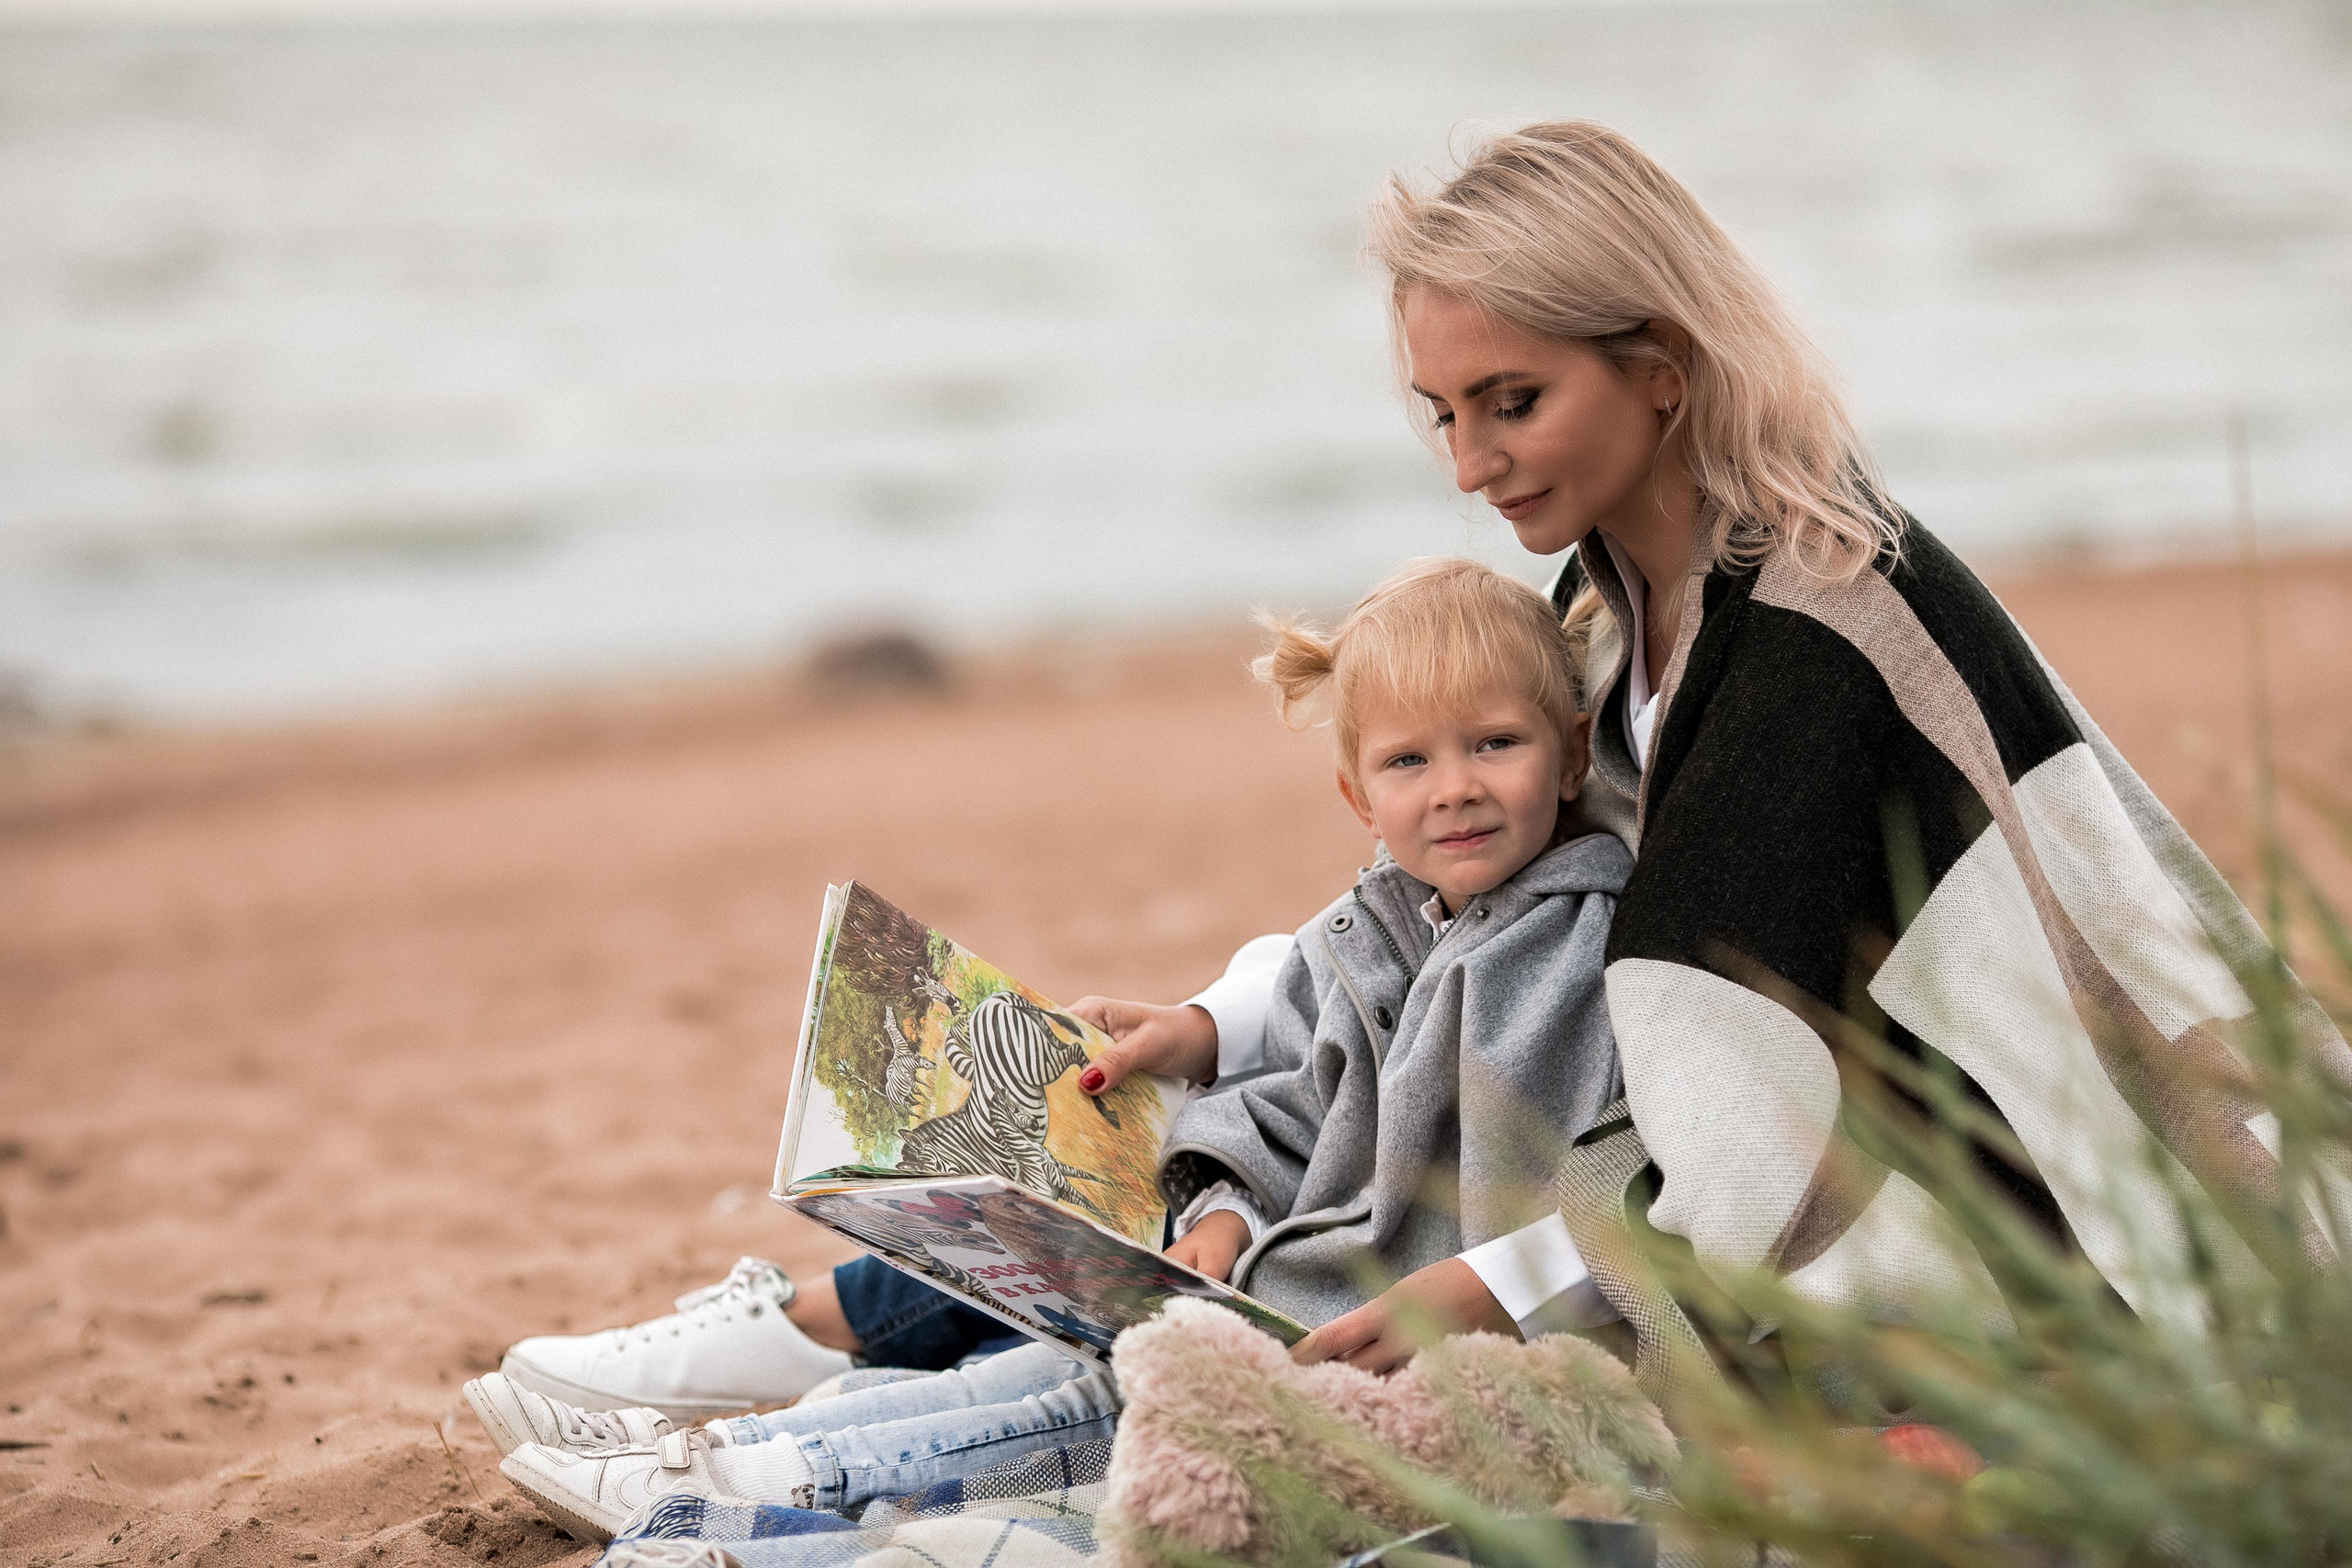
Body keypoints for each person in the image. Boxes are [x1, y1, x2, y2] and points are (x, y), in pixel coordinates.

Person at [481, 555, 1631, 1540]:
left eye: (1495, 745)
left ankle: (751, 1480)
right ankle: (737, 1438)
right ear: (1356, 795)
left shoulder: (1575, 949)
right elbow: (1291, 1103)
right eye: (1409, 763)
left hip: (1391, 1352)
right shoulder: (1372, 927)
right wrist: (1226, 1215)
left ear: (1574, 756)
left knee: (1070, 1410)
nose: (1456, 790)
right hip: (1276, 1291)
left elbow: (1587, 1180)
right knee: (1046, 1360)